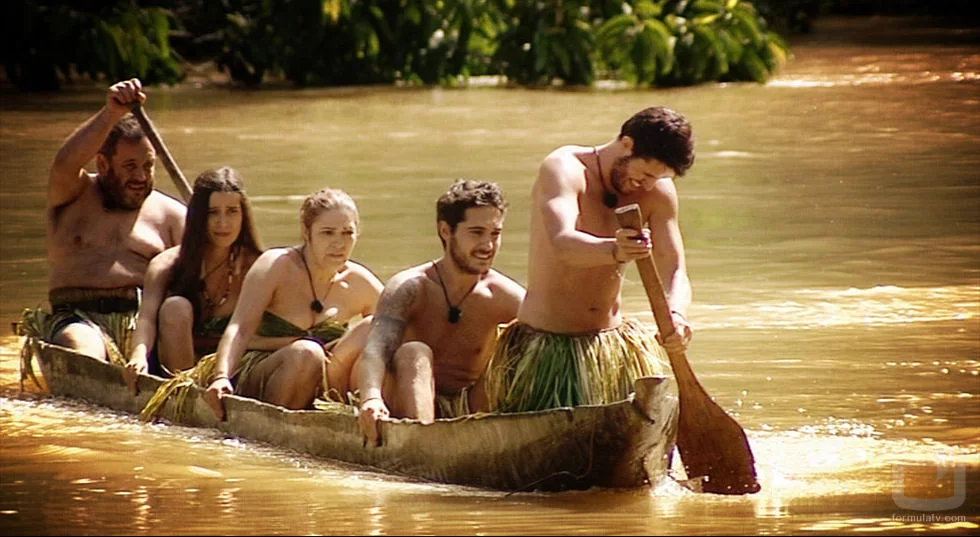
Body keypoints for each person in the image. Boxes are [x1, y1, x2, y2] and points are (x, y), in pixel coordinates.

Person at [484, 106, 696, 413]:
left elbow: (674, 268)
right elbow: (563, 245)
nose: (650, 185)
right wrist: (615, 250)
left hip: (610, 347)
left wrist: (677, 314)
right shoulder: (564, 169)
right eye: (647, 174)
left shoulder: (658, 192)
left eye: (659, 178)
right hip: (546, 347)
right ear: (626, 144)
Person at [25, 78, 186, 364]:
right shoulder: (73, 195)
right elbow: (64, 163)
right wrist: (111, 114)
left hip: (146, 323)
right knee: (81, 346)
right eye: (130, 166)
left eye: (148, 166)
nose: (140, 177)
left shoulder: (173, 215)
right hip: (79, 319)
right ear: (103, 164)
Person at [355, 180, 525, 446]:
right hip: (403, 400)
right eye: (476, 232)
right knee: (414, 352)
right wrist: (372, 398)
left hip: (467, 406)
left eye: (495, 234)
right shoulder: (410, 287)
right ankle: (425, 443)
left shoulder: (503, 295)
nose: (488, 245)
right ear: (446, 231)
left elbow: (554, 328)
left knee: (526, 340)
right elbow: (376, 350)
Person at [200, 188, 383, 420]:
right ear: (306, 232)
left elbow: (400, 329)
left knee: (376, 325)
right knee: (307, 353)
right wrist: (221, 377)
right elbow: (240, 328)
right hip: (264, 370)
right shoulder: (276, 266)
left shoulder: (359, 281)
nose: (339, 243)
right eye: (328, 233)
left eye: (347, 233)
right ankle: (272, 426)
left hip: (326, 381)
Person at [123, 167, 264, 394]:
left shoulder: (258, 266)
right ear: (198, 217)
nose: (223, 223)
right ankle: (186, 397)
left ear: (243, 215)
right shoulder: (166, 264)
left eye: (232, 212)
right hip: (176, 370)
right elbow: (146, 318)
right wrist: (138, 355)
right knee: (175, 307)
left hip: (231, 369)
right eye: (213, 213)